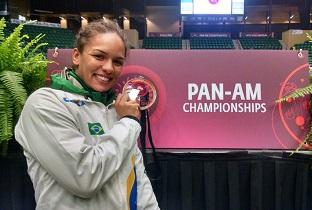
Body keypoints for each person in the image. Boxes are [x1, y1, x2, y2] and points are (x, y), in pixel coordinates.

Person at [15, 18, 160, 210]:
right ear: (76, 56)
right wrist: (130, 122)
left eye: (117, 61)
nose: (109, 68)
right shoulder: (44, 103)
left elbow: (137, 179)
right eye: (99, 56)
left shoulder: (117, 109)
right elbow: (84, 177)